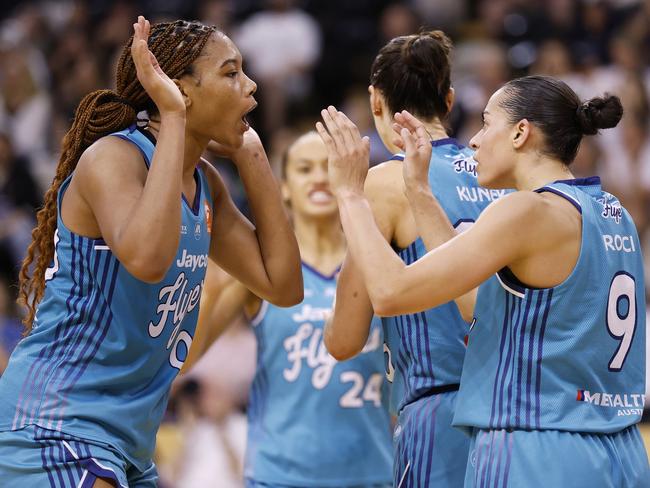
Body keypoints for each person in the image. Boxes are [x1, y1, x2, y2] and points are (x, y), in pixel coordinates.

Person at [0, 16, 302, 487]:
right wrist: (176, 117)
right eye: (230, 72)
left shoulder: (207, 186)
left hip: (127, 439)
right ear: (179, 88)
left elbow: (283, 285)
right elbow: (147, 257)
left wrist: (254, 156)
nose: (251, 83)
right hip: (58, 422)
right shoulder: (113, 157)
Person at [316, 75, 649, 487]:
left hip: (537, 448)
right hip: (622, 451)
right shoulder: (611, 210)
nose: (473, 140)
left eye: (487, 123)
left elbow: (389, 292)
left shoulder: (526, 211)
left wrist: (350, 194)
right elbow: (477, 302)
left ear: (520, 133)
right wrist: (419, 192)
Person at [323, 31, 500, 487]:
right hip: (515, 412)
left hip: (440, 412)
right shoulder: (501, 177)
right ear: (449, 99)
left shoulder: (386, 184)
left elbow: (343, 338)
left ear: (375, 101)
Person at [185, 131, 393, 488]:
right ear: (283, 187)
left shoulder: (378, 259)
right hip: (280, 474)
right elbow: (185, 357)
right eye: (304, 168)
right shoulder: (264, 269)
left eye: (328, 167)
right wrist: (215, 278)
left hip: (372, 471)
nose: (318, 177)